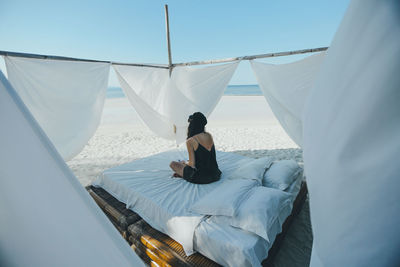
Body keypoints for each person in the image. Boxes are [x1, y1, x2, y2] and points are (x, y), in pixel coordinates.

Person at [169, 112, 221, 184]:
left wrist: (185, 163)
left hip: (202, 177)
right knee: (185, 164)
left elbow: (192, 165)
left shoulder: (191, 140)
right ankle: (183, 172)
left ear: (192, 125)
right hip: (215, 174)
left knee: (173, 164)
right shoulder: (209, 135)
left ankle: (183, 175)